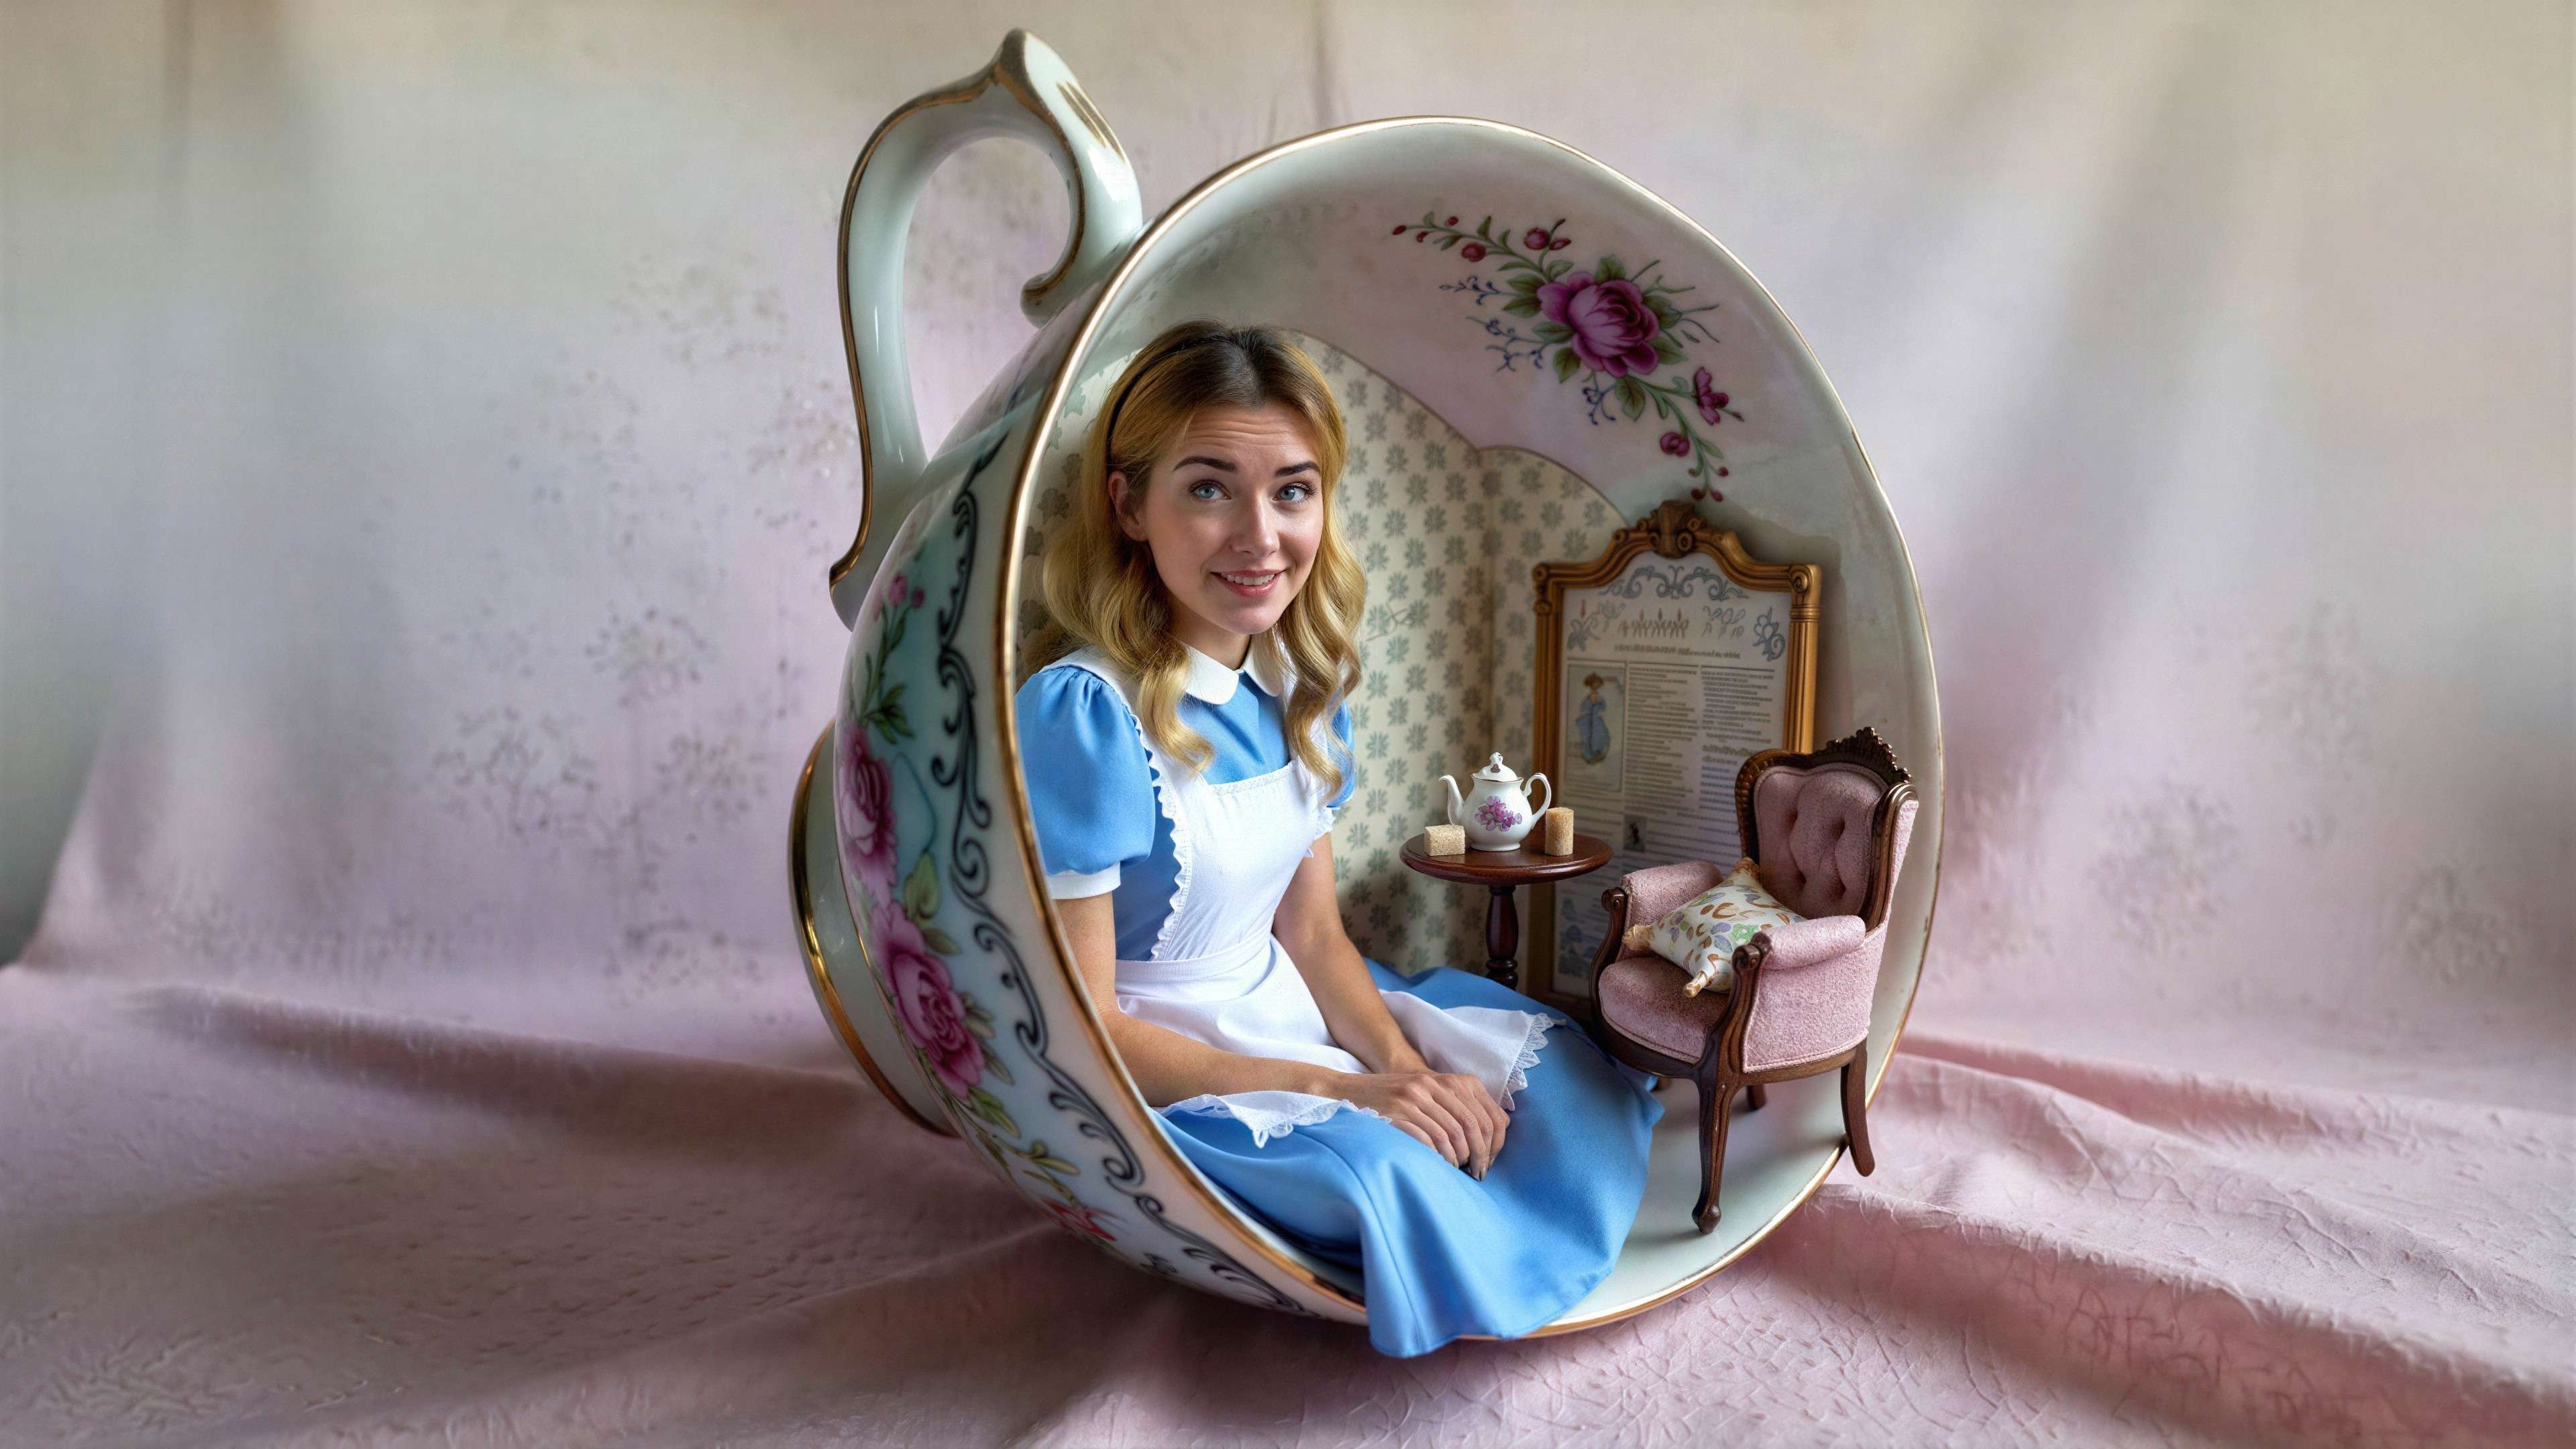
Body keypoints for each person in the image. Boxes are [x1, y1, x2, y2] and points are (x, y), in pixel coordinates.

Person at [1012, 319, 1660, 1357]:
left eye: (1293, 490)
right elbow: (1087, 1024)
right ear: (1129, 505)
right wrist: (1354, 1092)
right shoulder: (1083, 714)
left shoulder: (1299, 693)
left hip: (1281, 1007)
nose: (1261, 537)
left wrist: (1409, 1065)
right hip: (1167, 1071)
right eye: (1210, 487)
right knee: (1384, 1176)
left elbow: (1313, 936)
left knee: (1564, 1081)